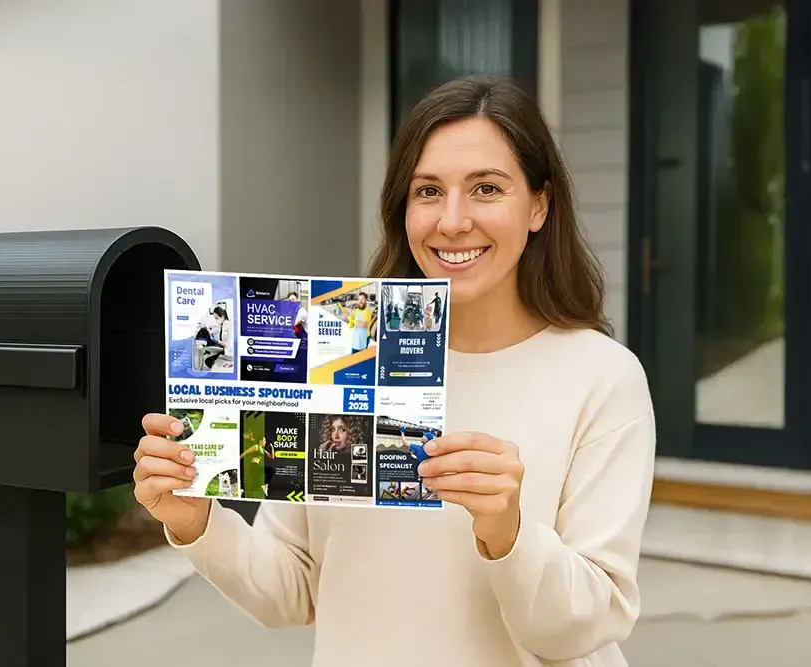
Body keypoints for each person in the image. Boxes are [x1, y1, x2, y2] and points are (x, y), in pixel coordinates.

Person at [132, 76, 655, 667]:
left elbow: (586, 626)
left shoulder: (602, 378)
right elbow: (293, 592)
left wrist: (507, 531)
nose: (453, 221)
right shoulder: (330, 345)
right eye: (428, 191)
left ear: (539, 205)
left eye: (486, 188)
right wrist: (197, 520)